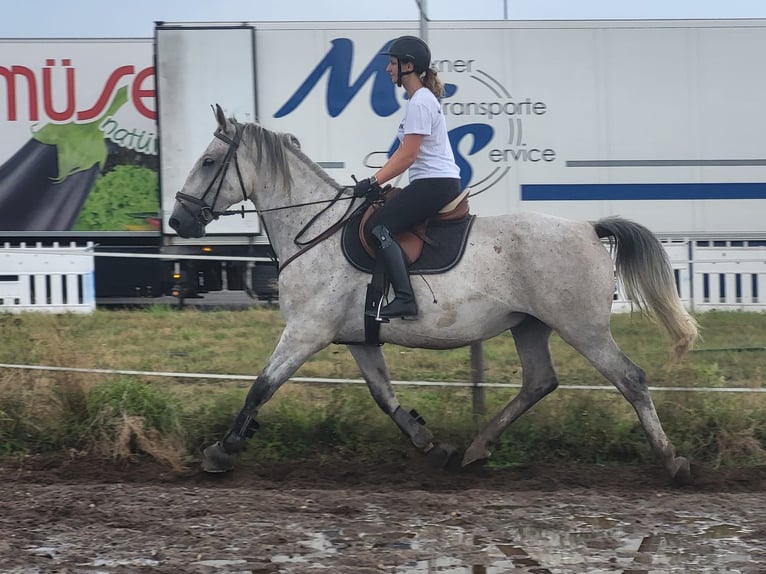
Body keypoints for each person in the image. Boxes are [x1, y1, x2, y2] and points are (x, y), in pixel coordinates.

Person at [354, 35, 462, 321]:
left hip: (435, 183)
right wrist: (379, 180)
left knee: (379, 228)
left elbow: (409, 156)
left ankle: (404, 299)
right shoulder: (419, 100)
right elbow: (402, 152)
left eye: (392, 63)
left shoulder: (420, 102)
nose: (388, 69)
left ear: (408, 65)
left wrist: (373, 181)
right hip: (431, 181)